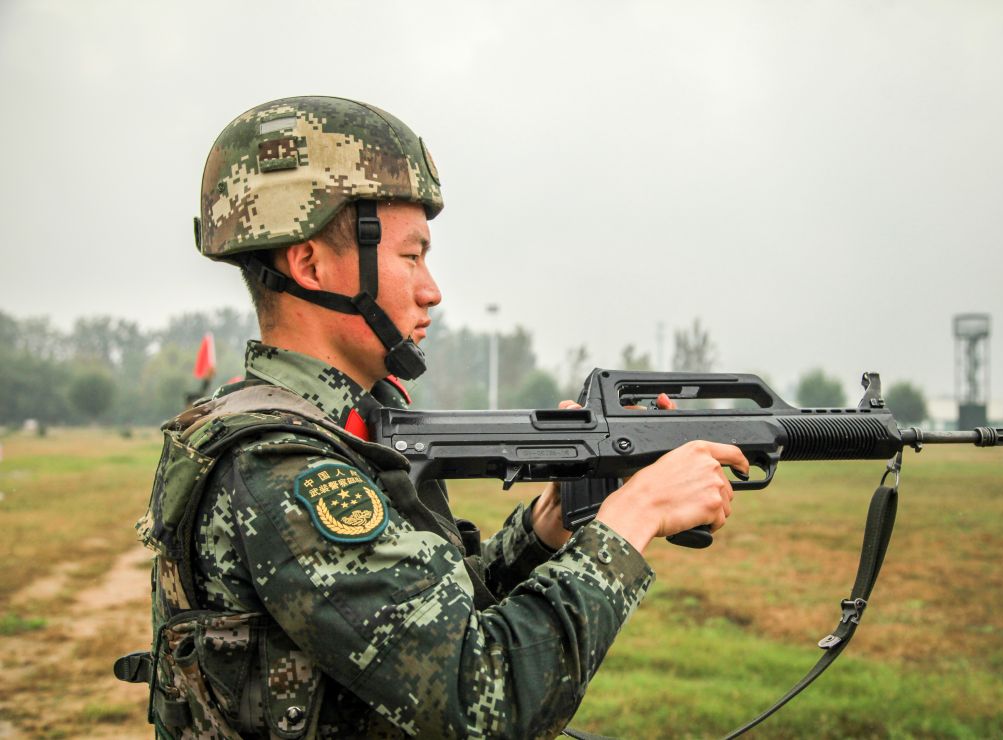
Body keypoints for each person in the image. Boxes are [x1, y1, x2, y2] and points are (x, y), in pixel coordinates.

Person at [122, 96, 748, 739]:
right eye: (411, 256)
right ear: (310, 265)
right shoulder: (284, 468)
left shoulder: (342, 430)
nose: (432, 290)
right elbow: (481, 699)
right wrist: (635, 515)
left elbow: (430, 624)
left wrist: (545, 530)